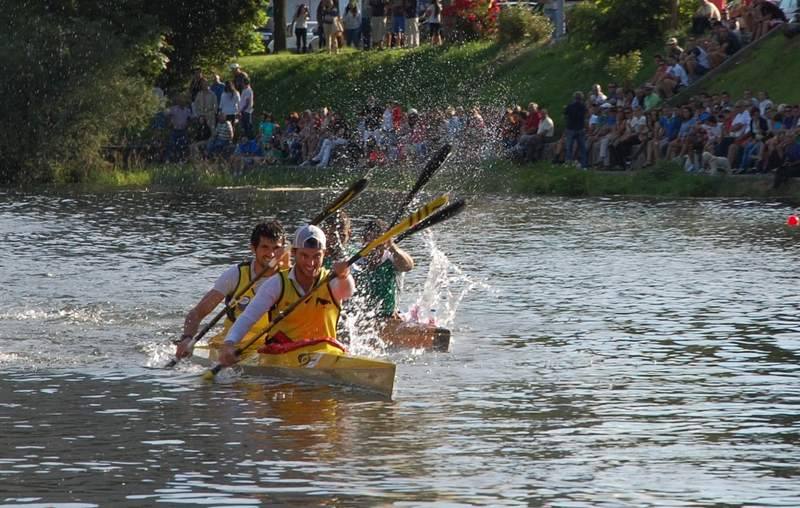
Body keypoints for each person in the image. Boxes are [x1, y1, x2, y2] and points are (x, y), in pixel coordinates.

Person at [218, 225, 355, 366]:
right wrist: (229, 343)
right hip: (283, 353)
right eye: (304, 256)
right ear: (294, 252)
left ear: (324, 254)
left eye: (317, 256)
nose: (311, 263)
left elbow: (347, 291)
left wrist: (345, 275)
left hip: (325, 352)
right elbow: (248, 317)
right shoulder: (277, 283)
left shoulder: (332, 281)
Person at [174, 222, 288, 359]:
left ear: (284, 250)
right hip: (231, 346)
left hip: (268, 347)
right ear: (253, 248)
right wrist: (187, 338)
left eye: (276, 248)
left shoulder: (290, 277)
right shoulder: (235, 275)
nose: (271, 254)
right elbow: (197, 313)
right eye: (265, 247)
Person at [354, 219, 413, 319]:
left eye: (377, 241)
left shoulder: (391, 257)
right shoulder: (355, 260)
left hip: (388, 316)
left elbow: (408, 266)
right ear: (363, 241)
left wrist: (392, 246)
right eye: (369, 241)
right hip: (361, 316)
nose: (374, 247)